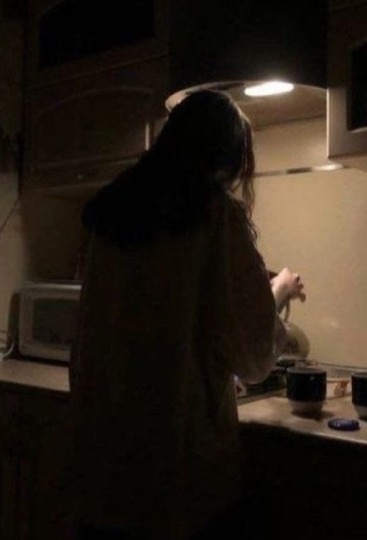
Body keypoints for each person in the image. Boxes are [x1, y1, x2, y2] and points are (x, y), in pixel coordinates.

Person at [68, 89, 306, 540]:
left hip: (100, 470)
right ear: (226, 160)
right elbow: (253, 356)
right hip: (176, 477)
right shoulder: (215, 216)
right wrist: (278, 290)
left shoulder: (114, 212)